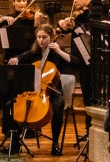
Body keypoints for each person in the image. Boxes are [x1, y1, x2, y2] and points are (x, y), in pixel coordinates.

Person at [8, 24, 71, 155]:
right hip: (33, 91)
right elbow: (22, 57)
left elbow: (74, 62)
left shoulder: (57, 53)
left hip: (52, 92)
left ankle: (55, 143)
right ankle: (14, 144)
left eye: (44, 37)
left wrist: (60, 51)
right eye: (39, 37)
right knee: (10, 104)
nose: (41, 40)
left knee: (59, 105)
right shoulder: (34, 52)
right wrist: (16, 59)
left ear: (52, 38)